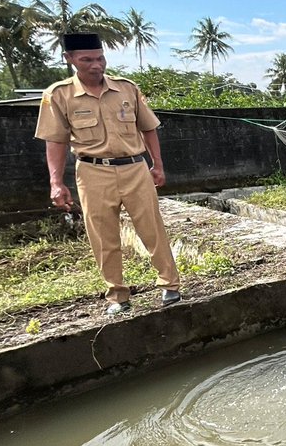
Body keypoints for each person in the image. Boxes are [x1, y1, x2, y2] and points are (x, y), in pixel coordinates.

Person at [35, 32, 181, 316]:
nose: (95, 65)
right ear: (70, 59)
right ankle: (117, 295)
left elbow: (148, 127)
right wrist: (55, 182)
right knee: (103, 235)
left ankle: (170, 284)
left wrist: (158, 164)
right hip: (92, 171)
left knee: (152, 228)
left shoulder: (126, 89)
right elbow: (55, 140)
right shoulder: (59, 95)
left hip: (135, 168)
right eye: (86, 59)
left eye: (99, 58)